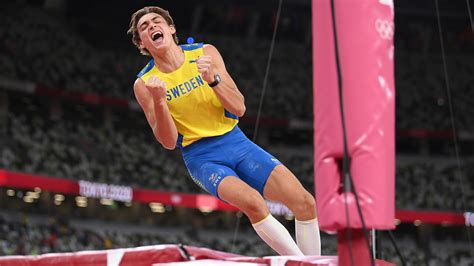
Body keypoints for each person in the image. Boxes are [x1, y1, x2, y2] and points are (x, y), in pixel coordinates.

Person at [128, 6, 321, 256]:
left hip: (236, 142)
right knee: (254, 203)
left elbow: (239, 107)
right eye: (144, 27)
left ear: (171, 28)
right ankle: (299, 264)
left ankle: (313, 262)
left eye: (156, 21)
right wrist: (160, 101)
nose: (152, 26)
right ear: (142, 43)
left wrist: (213, 80)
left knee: (305, 203)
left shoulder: (205, 53)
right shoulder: (145, 84)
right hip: (203, 157)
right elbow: (168, 141)